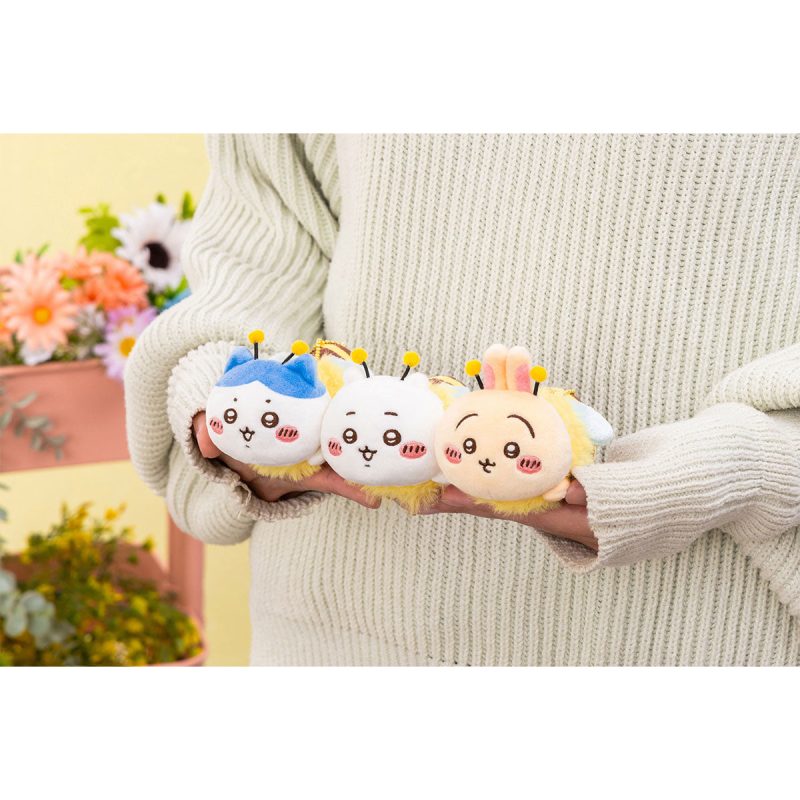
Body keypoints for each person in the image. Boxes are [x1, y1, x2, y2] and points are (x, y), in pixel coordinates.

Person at [126, 134, 800, 666]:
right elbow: (254, 257)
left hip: (699, 637)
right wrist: (236, 418)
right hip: (336, 633)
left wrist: (724, 471)